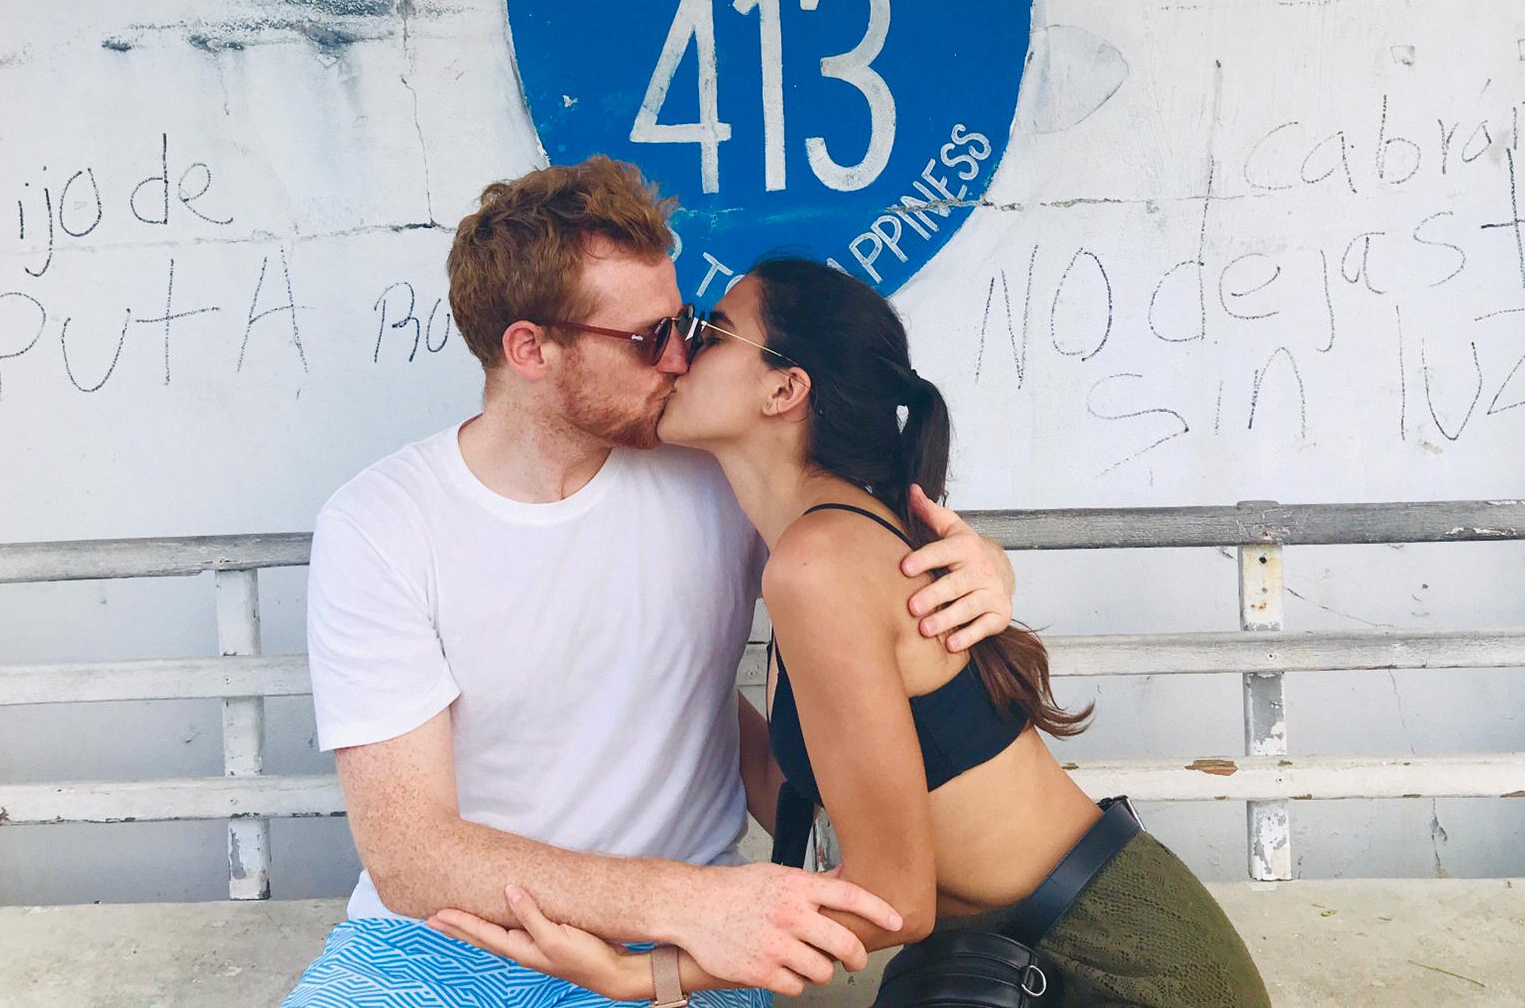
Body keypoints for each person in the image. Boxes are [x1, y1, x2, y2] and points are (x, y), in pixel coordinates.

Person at [431, 257, 1271, 1008]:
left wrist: (648, 973)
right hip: (1019, 949)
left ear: (784, 390)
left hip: (1115, 966)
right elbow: (806, 781)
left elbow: (896, 898)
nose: (677, 353)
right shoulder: (818, 540)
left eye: (710, 332)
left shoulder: (819, 563)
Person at [280, 160, 1020, 1008]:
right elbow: (412, 857)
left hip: (681, 945)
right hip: (443, 940)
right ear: (529, 350)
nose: (678, 359)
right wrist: (691, 901)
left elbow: (859, 556)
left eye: (685, 325)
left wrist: (983, 565)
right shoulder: (381, 523)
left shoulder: (715, 470)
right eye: (645, 339)